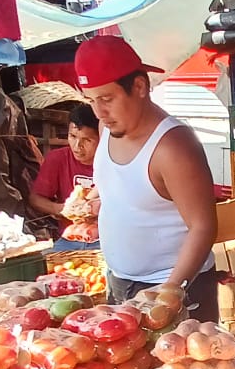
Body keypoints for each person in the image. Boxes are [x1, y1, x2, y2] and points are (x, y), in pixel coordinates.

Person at [74, 36, 220, 321]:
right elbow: (120, 191)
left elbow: (203, 226)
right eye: (91, 100)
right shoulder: (106, 128)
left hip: (172, 287)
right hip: (119, 281)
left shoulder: (173, 147)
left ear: (139, 87)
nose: (99, 112)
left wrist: (170, 292)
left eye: (107, 99)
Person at [29, 103, 100, 220]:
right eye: (72, 136)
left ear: (101, 138)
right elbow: (36, 199)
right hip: (71, 234)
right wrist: (61, 209)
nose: (77, 146)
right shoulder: (57, 159)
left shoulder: (111, 163)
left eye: (87, 140)